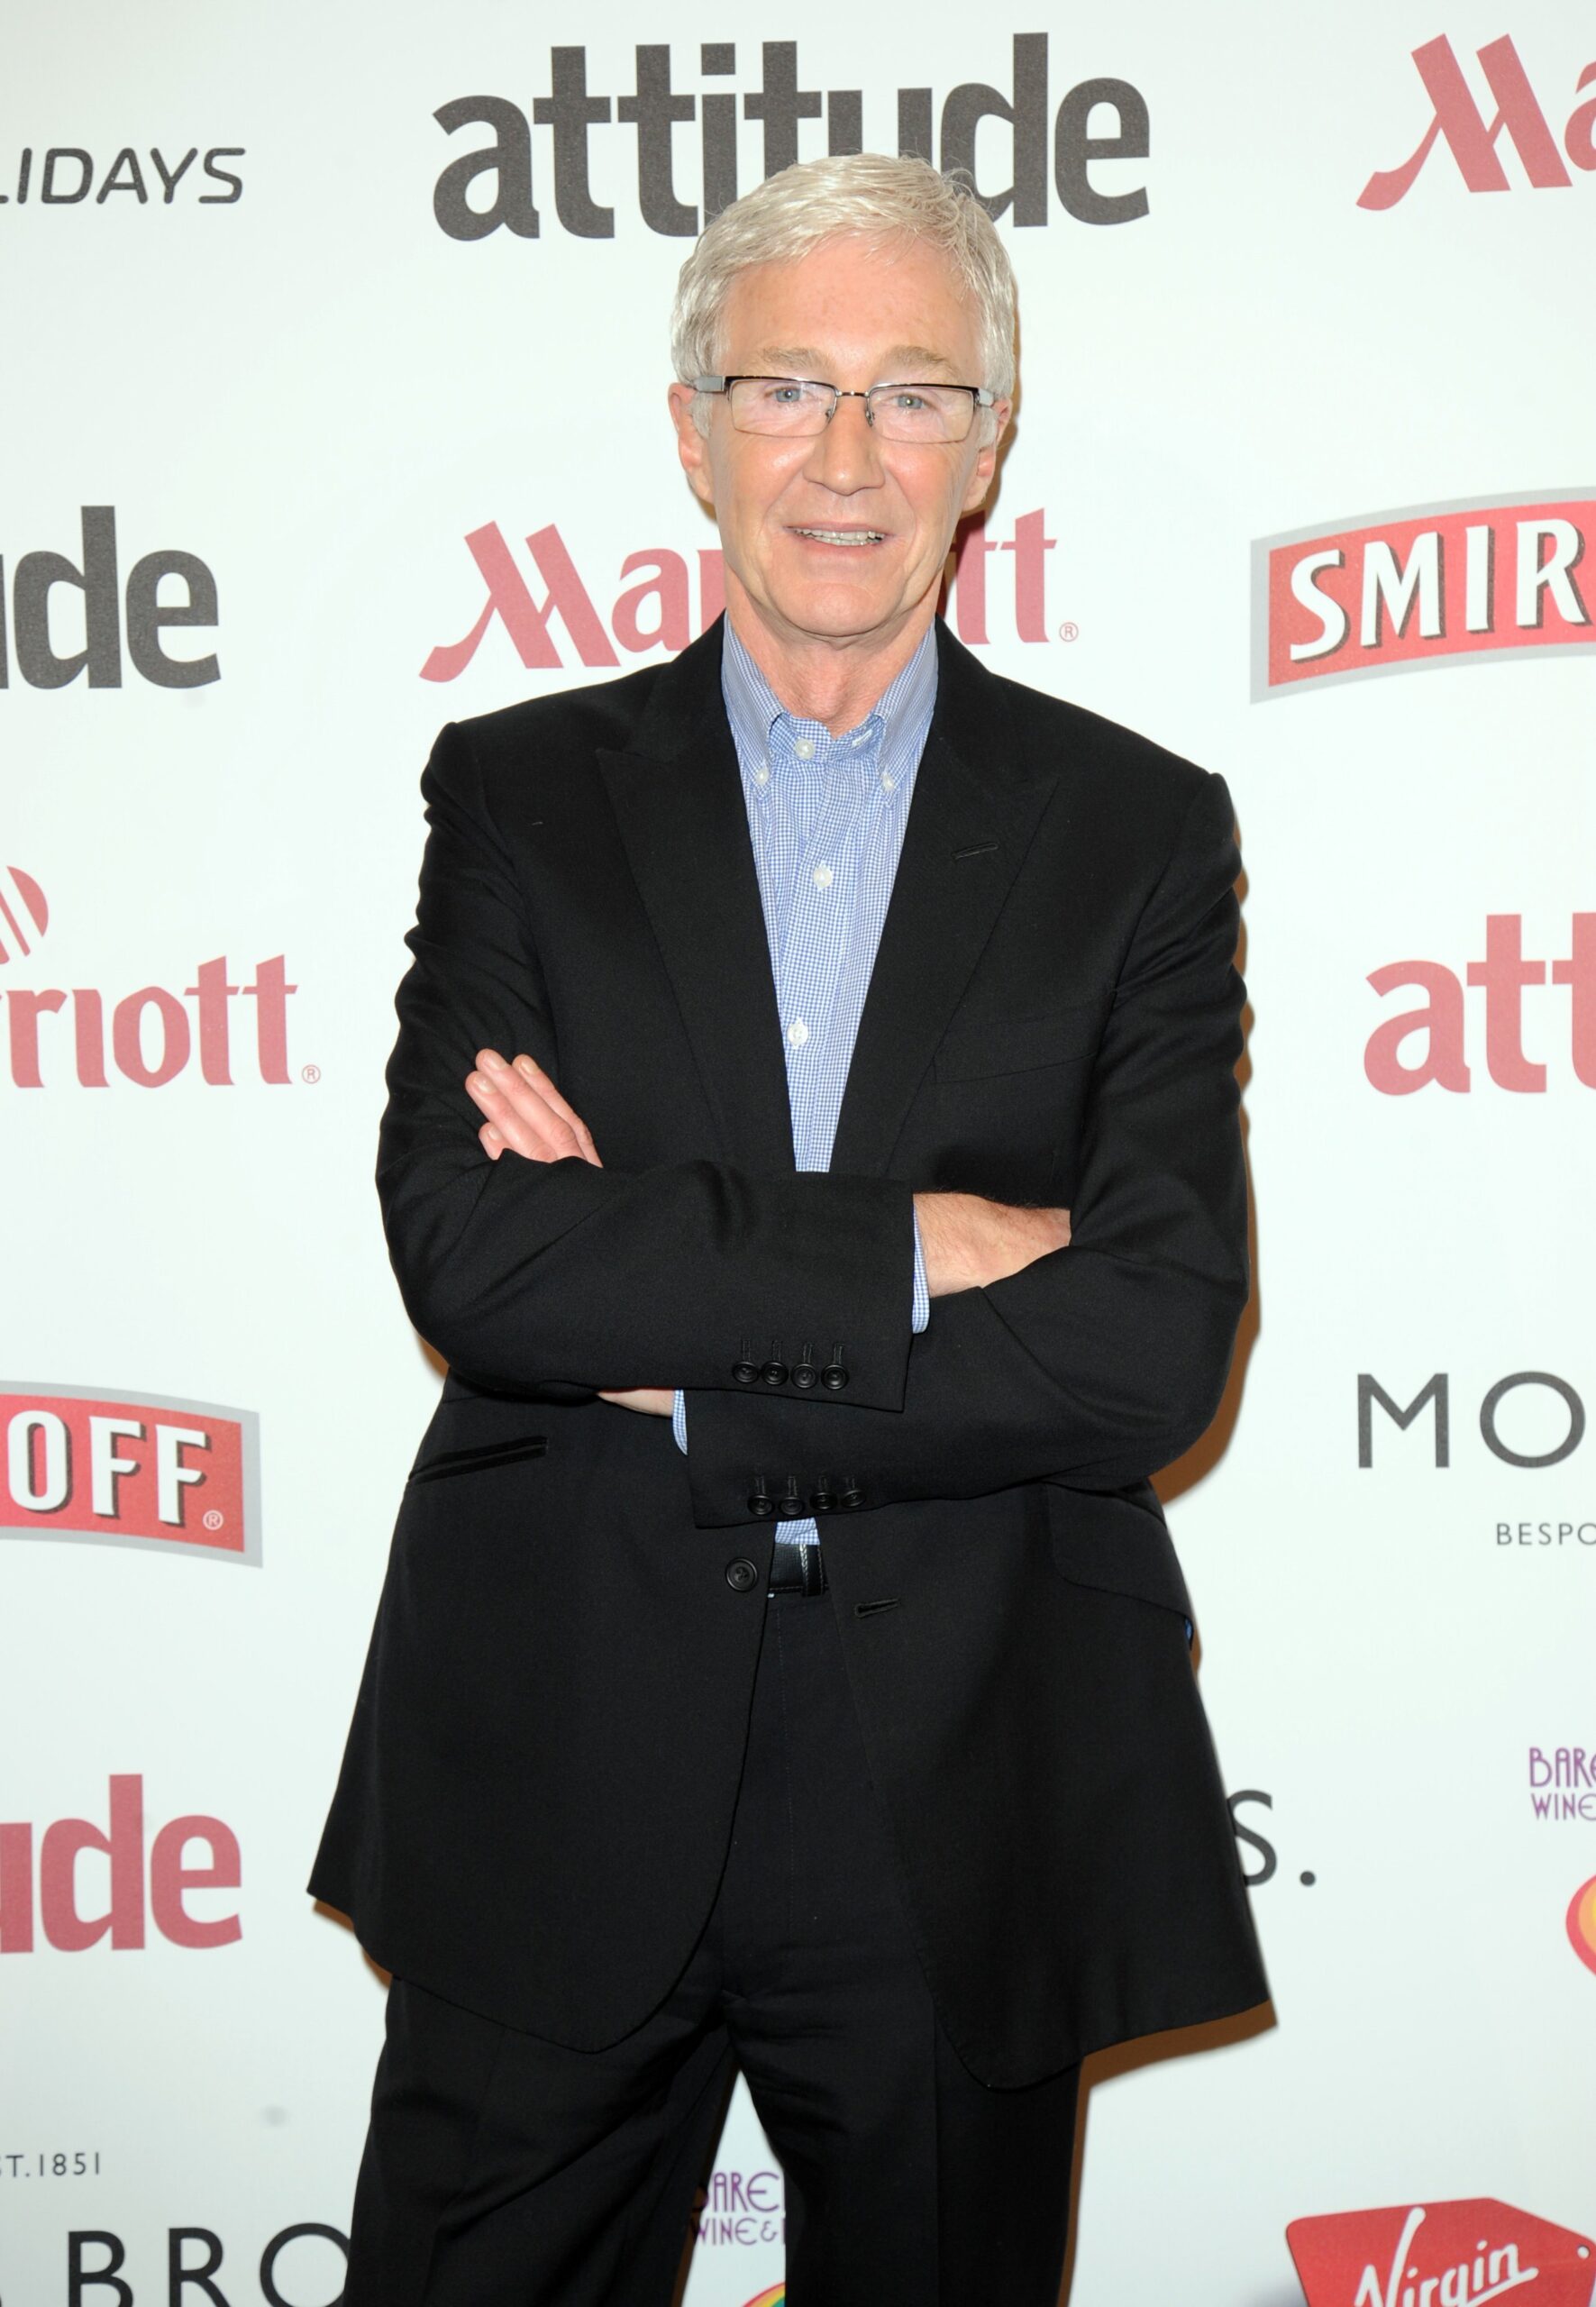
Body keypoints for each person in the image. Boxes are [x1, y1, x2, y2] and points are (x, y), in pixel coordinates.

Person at [311, 150, 1267, 2306]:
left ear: (988, 445)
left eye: (914, 393)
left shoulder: (1133, 830)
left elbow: (1147, 1336)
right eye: (783, 388)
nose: (845, 458)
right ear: (688, 428)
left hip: (964, 1770)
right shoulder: (520, 791)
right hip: (556, 1733)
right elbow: (474, 1255)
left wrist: (677, 1330)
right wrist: (922, 1241)